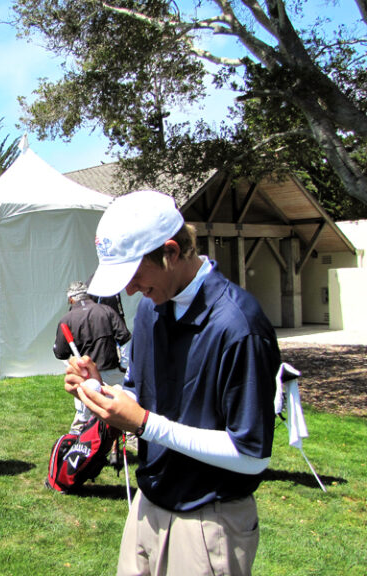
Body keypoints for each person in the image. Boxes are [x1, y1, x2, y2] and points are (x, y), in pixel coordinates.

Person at [65, 190, 280, 576]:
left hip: (208, 520)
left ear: (171, 252)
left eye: (134, 274)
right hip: (150, 505)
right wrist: (103, 390)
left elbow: (252, 456)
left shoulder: (239, 327)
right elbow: (141, 392)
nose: (129, 290)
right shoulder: (151, 307)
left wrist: (146, 425)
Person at [53, 280, 130, 433]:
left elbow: (60, 353)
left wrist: (74, 367)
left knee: (84, 416)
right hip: (112, 371)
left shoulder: (67, 319)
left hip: (85, 376)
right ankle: (130, 437)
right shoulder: (106, 311)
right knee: (123, 411)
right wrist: (124, 365)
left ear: (70, 299)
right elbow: (126, 339)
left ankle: (78, 445)